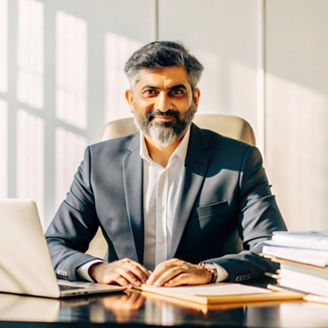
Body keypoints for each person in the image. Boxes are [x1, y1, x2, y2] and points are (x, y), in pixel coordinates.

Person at [46, 41, 286, 287]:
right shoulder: (98, 161)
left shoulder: (239, 161)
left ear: (195, 99)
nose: (163, 105)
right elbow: (53, 244)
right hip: (122, 309)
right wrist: (97, 269)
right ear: (131, 100)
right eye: (151, 92)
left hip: (207, 310)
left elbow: (272, 248)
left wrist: (210, 272)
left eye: (176, 92)